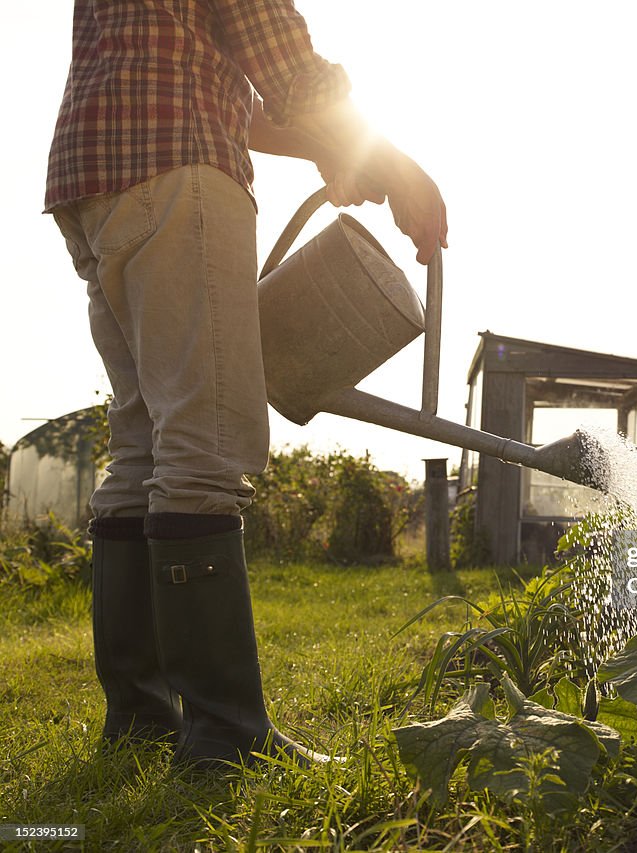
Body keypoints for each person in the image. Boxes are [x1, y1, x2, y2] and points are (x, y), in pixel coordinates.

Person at [44, 0, 447, 767]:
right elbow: (285, 63)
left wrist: (335, 154)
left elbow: (234, 91)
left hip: (91, 176)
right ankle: (224, 734)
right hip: (175, 166)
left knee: (144, 443)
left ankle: (140, 715)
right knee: (204, 441)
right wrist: (398, 166)